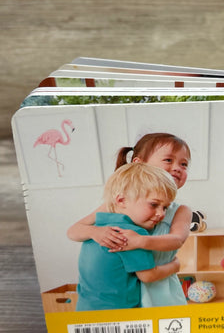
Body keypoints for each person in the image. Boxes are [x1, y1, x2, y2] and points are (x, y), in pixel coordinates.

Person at [67, 133, 192, 307]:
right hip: (130, 288)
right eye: (168, 160)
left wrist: (141, 242)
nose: (177, 168)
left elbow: (177, 239)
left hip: (159, 289)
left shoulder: (180, 211)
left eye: (184, 164)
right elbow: (73, 231)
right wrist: (95, 232)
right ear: (139, 163)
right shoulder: (118, 205)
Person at [75, 163, 180, 311]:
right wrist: (175, 265)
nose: (161, 214)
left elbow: (72, 232)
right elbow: (148, 276)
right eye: (154, 204)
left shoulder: (97, 226)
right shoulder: (132, 233)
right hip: (119, 313)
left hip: (84, 308)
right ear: (121, 201)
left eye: (165, 208)